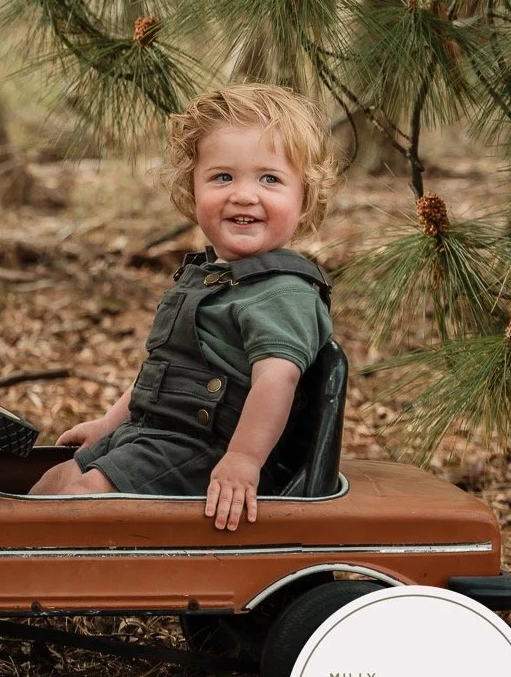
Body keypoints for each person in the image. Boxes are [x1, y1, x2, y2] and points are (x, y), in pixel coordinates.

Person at [30, 84, 339, 531]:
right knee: (51, 482)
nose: (243, 195)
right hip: (157, 437)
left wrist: (243, 459)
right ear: (191, 189)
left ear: (304, 197)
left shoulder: (282, 292)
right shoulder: (212, 276)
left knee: (80, 500)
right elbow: (165, 371)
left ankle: (58, 590)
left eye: (269, 178)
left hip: (209, 452)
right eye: (222, 177)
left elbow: (278, 379)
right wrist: (109, 423)